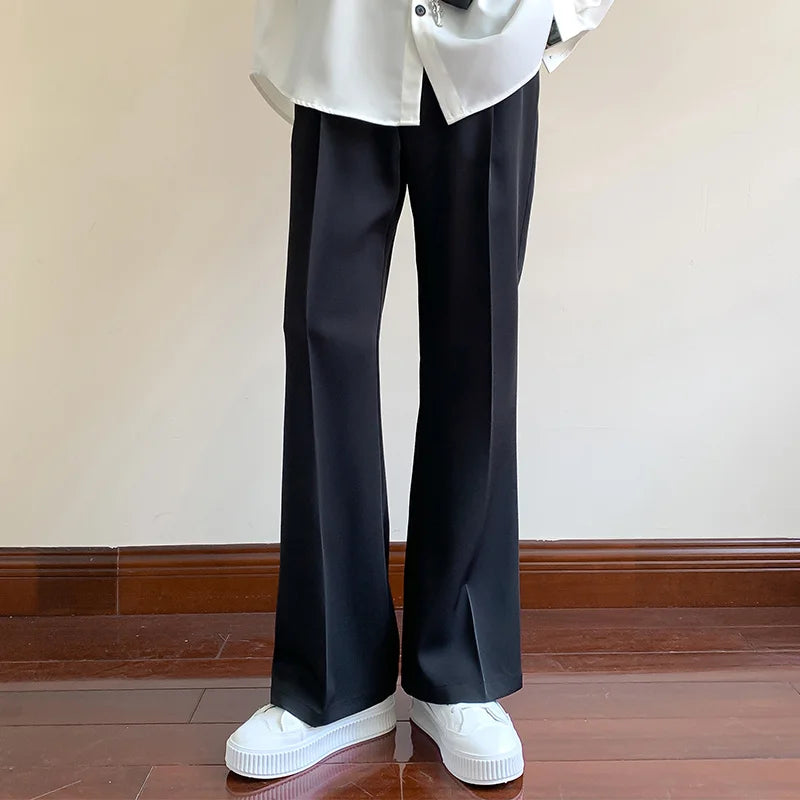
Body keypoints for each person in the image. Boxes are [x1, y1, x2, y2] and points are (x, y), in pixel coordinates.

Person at [227, 0, 614, 787]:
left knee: (477, 347)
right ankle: (331, 683)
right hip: (339, 41)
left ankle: (457, 672)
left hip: (490, 47)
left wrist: (560, 13)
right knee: (323, 339)